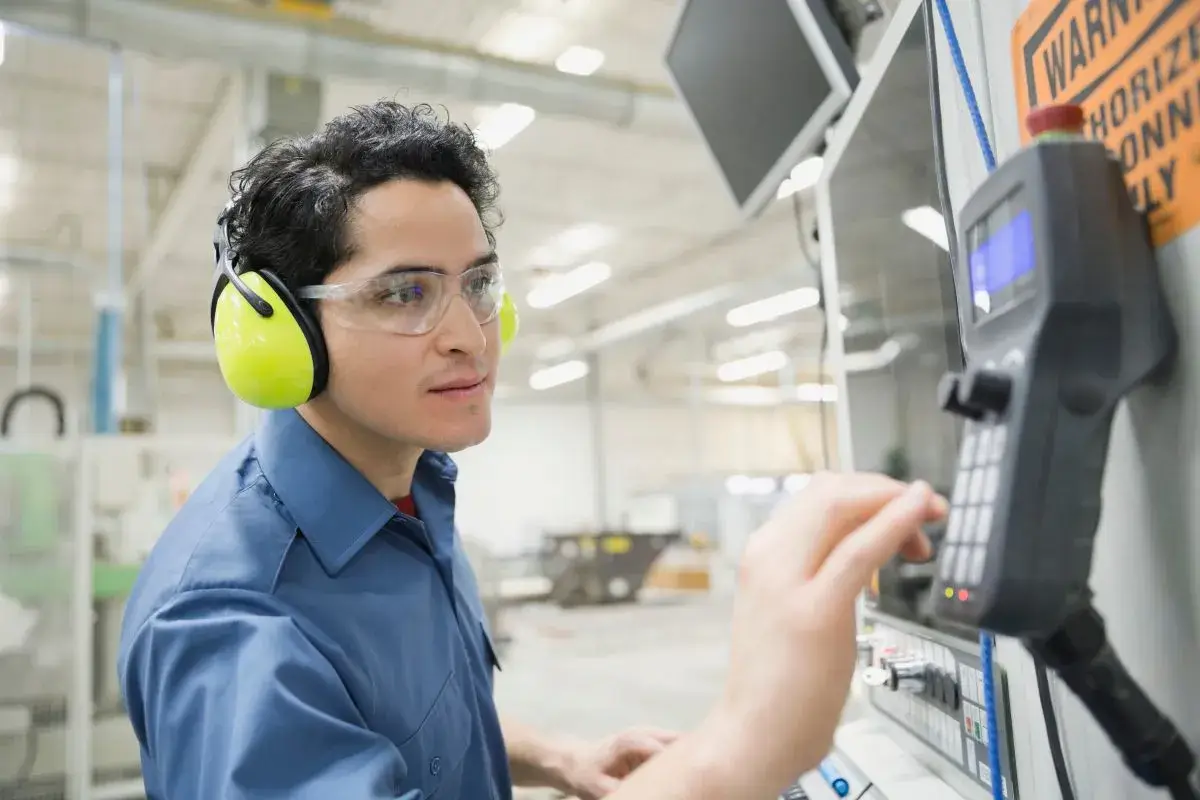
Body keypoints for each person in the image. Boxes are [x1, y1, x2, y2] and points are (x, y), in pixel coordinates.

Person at [117, 100, 945, 800]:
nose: (468, 337)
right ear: (281, 337)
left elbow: (408, 711)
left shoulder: (412, 494)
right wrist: (742, 744)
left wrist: (556, 758)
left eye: (476, 284)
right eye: (406, 293)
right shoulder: (229, 621)